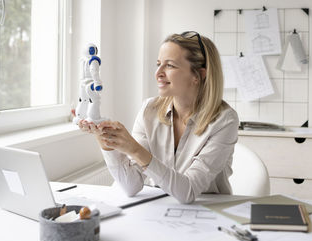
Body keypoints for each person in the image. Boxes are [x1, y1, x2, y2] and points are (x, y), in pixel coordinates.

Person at [79, 31, 239, 204]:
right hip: (161, 209)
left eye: (169, 65)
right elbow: (131, 186)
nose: (158, 73)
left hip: (209, 211)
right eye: (158, 64)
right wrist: (107, 140)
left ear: (198, 75)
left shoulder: (225, 120)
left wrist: (134, 149)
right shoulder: (150, 110)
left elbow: (188, 192)